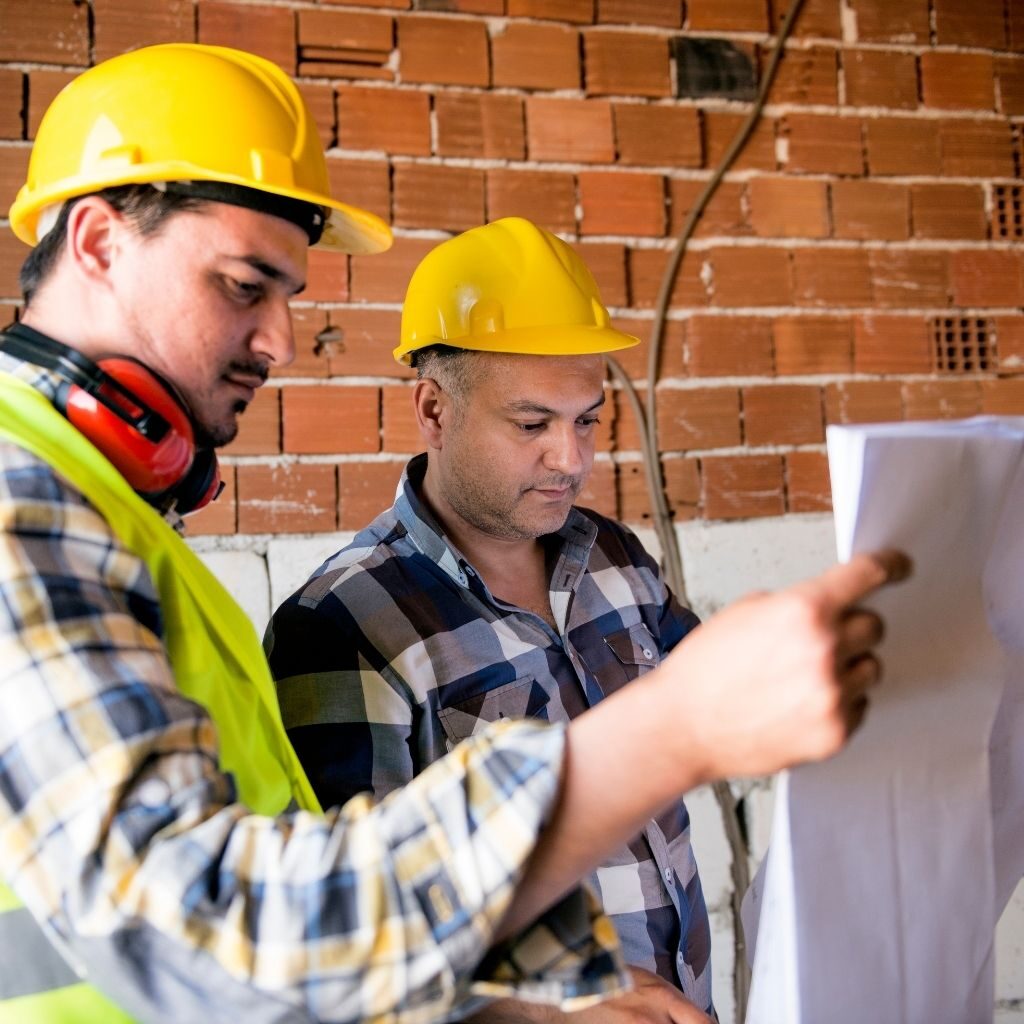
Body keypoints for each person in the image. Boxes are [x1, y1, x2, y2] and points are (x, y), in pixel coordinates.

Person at [0, 42, 908, 1024]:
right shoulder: (24, 496)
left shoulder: (114, 508)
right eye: (241, 284)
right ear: (95, 240)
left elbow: (304, 897)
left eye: (286, 296)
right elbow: (205, 928)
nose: (279, 342)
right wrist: (670, 729)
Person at [262, 218, 897, 1022]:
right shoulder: (344, 624)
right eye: (532, 425)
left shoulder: (614, 557)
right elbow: (341, 946)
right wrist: (542, 1010)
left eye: (588, 419)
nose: (571, 458)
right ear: (432, 409)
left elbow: (731, 709)